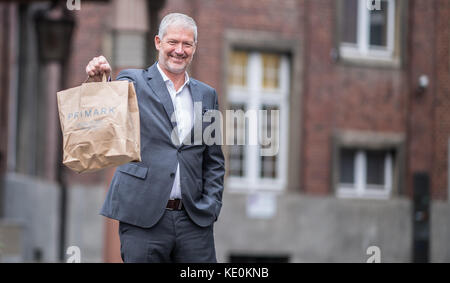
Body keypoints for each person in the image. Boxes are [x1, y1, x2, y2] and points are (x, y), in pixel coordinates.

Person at [85, 13, 225, 263]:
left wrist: (211, 205)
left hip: (194, 221)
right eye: (173, 42)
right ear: (158, 42)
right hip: (144, 219)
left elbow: (213, 160)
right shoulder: (134, 81)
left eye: (187, 44)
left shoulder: (207, 95)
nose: (179, 50)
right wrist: (102, 81)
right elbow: (110, 113)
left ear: (195, 48)